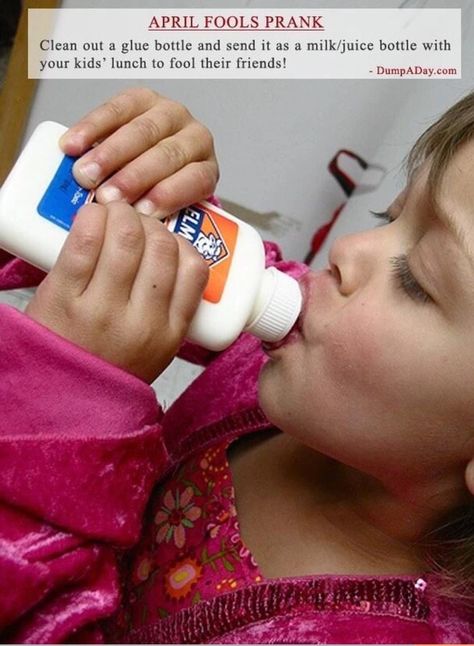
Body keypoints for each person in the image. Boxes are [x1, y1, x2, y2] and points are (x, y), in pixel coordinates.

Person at [0, 86, 473, 643]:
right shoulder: (307, 354)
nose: (348, 251)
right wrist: (145, 208)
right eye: (390, 214)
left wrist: (64, 409)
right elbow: (233, 291)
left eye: (416, 278)